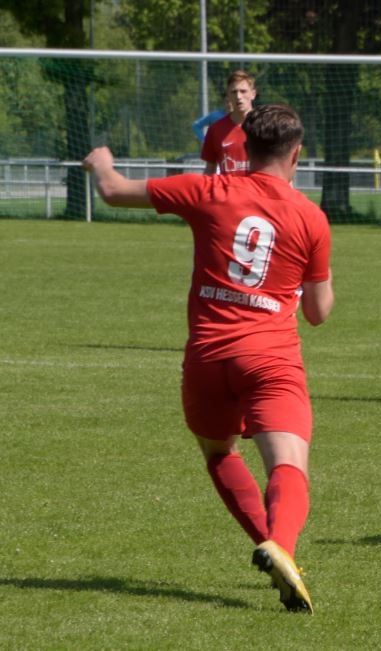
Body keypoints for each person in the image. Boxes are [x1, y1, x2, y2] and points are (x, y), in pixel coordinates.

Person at [82, 103, 334, 613]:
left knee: (219, 453)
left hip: (206, 359)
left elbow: (113, 190)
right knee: (288, 464)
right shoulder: (311, 217)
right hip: (269, 359)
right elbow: (318, 312)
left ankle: (272, 548)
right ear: (296, 155)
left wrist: (101, 162)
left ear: (245, 148)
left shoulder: (208, 190)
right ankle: (281, 544)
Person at [201, 70, 258, 175]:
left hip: (257, 186)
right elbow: (209, 169)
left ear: (253, 94)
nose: (238, 96)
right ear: (228, 95)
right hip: (227, 186)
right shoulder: (215, 130)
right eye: (234, 92)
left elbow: (280, 167)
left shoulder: (266, 126)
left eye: (243, 91)